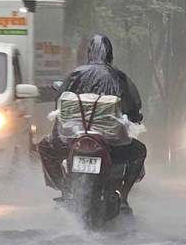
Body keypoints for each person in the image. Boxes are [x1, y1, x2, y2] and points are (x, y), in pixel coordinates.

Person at [39, 34, 147, 211]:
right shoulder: (119, 77)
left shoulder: (76, 73)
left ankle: (65, 191)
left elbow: (59, 100)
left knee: (44, 147)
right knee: (139, 151)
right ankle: (125, 198)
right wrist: (134, 117)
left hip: (73, 138)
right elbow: (133, 105)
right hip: (111, 141)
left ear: (89, 54)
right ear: (110, 55)